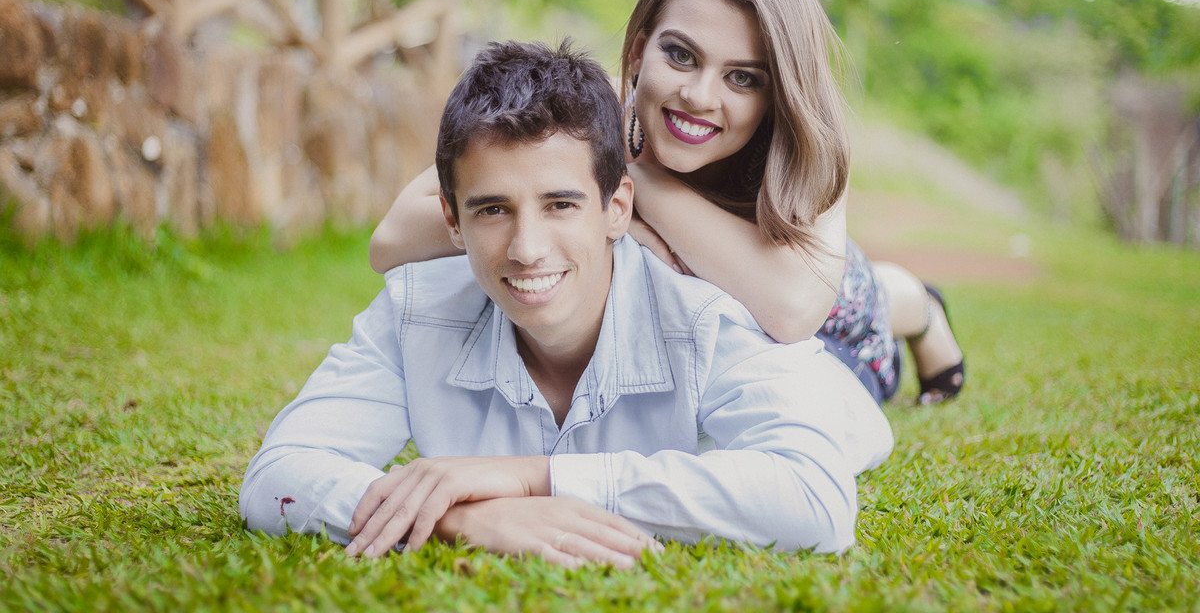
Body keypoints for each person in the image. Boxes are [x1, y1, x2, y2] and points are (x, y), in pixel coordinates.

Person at [241, 40, 893, 566]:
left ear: (617, 209)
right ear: (450, 220)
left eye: (560, 205)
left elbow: (816, 502)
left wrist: (537, 478)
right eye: (492, 209)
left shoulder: (710, 317)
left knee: (869, 325)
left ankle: (912, 305)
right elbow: (277, 475)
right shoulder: (415, 309)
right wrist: (461, 516)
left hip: (839, 369)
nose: (526, 248)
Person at [370, 0, 964, 406]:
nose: (701, 97)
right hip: (721, 312)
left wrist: (633, 185)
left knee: (882, 298)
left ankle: (924, 309)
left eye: (742, 77)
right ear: (639, 50)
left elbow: (790, 310)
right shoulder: (580, 119)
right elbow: (391, 241)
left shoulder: (810, 146)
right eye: (681, 55)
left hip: (834, 323)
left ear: (776, 90)